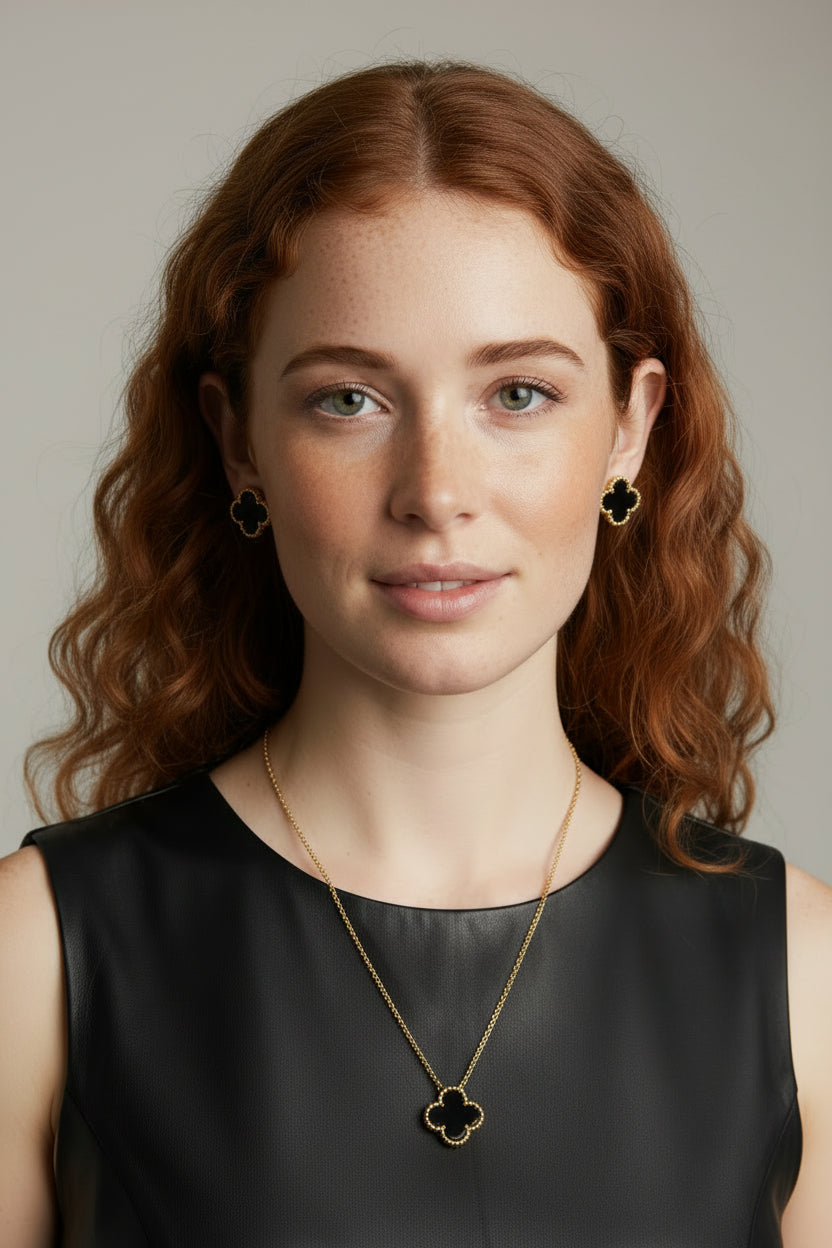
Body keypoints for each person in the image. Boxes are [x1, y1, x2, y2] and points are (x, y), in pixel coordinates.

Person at [0, 56, 829, 1246]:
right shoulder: (37, 954)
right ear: (238, 443)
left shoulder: (804, 970)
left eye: (519, 395)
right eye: (349, 400)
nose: (436, 493)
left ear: (631, 429)